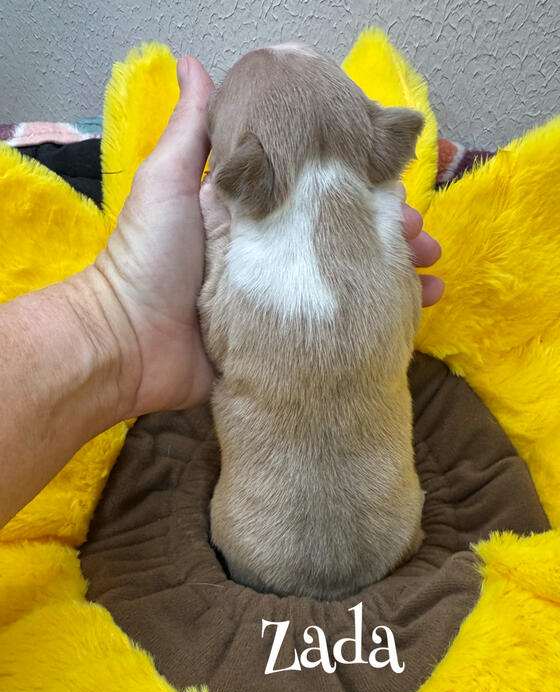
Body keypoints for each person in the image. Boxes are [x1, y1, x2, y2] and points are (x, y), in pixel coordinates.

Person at [0, 56, 443, 529]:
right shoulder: (389, 267)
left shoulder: (245, 279)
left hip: (258, 540)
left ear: (237, 182)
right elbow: (408, 320)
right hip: (391, 527)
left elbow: (217, 333)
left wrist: (211, 230)